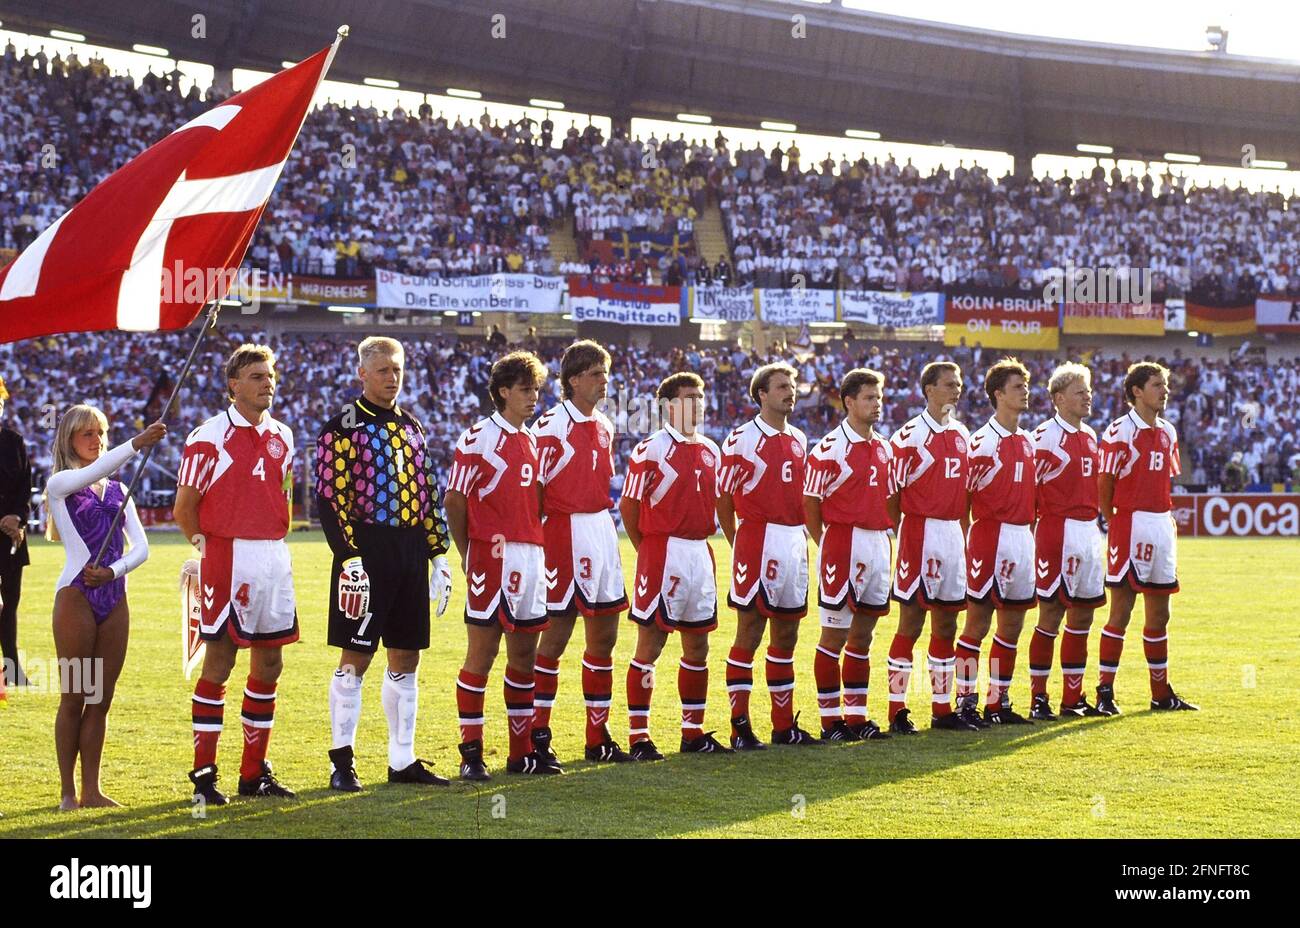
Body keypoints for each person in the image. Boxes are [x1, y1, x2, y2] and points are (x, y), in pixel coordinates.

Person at [316, 336, 454, 791]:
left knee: (407, 656)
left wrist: (438, 554)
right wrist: (350, 556)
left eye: (397, 369)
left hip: (411, 548)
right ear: (362, 373)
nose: (391, 378)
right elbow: (332, 499)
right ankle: (342, 762)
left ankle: (402, 760)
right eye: (382, 371)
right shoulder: (343, 426)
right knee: (356, 656)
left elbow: (429, 492)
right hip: (367, 550)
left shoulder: (412, 425)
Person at [176, 345, 299, 805]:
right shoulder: (208, 436)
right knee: (220, 663)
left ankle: (252, 775)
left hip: (274, 555)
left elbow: (282, 496)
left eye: (269, 375)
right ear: (233, 385)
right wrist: (206, 551)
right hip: (229, 556)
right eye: (255, 376)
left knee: (270, 663)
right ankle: (205, 776)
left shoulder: (283, 435)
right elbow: (185, 507)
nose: (266, 382)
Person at [446, 351, 560, 779]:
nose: (534, 396)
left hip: (531, 553)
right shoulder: (477, 437)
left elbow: (539, 504)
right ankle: (470, 754)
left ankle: (520, 753)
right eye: (526, 389)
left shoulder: (533, 440)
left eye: (537, 388)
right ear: (503, 392)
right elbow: (454, 500)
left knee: (525, 657)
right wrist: (467, 552)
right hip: (491, 554)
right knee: (483, 653)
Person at [47, 406, 164, 809]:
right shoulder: (60, 483)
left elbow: (143, 547)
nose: (96, 440)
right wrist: (138, 443)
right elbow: (88, 477)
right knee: (74, 695)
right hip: (75, 597)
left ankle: (93, 790)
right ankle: (67, 791)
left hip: (115, 598)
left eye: (101, 433)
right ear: (69, 440)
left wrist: (113, 572)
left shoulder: (118, 488)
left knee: (101, 697)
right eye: (87, 434)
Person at [620, 372, 732, 758]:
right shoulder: (650, 449)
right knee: (650, 644)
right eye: (689, 397)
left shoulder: (711, 449)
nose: (698, 403)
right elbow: (629, 506)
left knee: (697, 646)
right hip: (663, 552)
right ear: (669, 405)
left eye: (700, 396)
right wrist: (648, 549)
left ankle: (692, 733)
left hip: (700, 551)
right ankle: (639, 737)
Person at [530, 341, 630, 764]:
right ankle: (537, 732)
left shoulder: (604, 424)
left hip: (601, 530)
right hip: (563, 533)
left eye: (605, 372)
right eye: (595, 373)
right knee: (555, 635)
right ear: (573, 380)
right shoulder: (549, 427)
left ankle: (597, 737)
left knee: (605, 636)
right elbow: (533, 490)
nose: (604, 380)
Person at [718, 362, 819, 749]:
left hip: (793, 541)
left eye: (792, 385)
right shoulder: (742, 438)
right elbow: (723, 498)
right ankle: (739, 725)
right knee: (750, 630)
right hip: (758, 539)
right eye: (781, 386)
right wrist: (738, 540)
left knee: (788, 632)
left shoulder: (799, 437)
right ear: (762, 394)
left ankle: (783, 726)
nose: (790, 392)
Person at [1098, 362, 1198, 713]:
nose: (1164, 390)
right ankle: (1104, 691)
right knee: (1121, 611)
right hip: (1130, 523)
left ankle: (1160, 693)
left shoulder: (1168, 431)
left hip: (1160, 524)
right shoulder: (1119, 431)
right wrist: (1113, 520)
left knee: (1160, 615)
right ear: (1137, 391)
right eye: (1157, 385)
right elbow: (1105, 482)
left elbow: (1165, 477)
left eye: (1165, 384)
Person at [803, 368, 896, 742]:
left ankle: (856, 717)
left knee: (863, 636)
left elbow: (890, 499)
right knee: (834, 636)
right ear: (849, 402)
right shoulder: (828, 449)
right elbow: (810, 503)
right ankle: (831, 721)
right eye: (870, 398)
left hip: (877, 543)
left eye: (879, 397)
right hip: (843, 543)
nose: (877, 404)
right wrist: (826, 543)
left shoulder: (885, 448)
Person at [885, 361, 974, 733]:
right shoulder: (909, 436)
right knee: (911, 622)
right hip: (920, 533)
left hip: (952, 533)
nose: (956, 390)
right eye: (949, 385)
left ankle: (942, 708)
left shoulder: (962, 434)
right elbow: (892, 493)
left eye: (958, 384)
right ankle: (897, 709)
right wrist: (903, 530)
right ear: (929, 390)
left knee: (948, 623)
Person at [954, 359, 1037, 726]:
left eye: (1026, 386)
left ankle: (998, 701)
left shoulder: (1028, 440)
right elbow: (963, 501)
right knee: (977, 623)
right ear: (998, 394)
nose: (1025, 392)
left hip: (1021, 537)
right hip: (990, 536)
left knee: (1012, 627)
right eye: (1017, 387)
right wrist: (966, 543)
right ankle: (964, 700)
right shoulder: (982, 443)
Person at [1027, 362, 1106, 719]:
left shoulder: (1091, 435)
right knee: (1052, 613)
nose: (1087, 396)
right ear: (1058, 398)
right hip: (1057, 530)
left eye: (1088, 390)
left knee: (1084, 614)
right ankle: (1039, 697)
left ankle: (1072, 697)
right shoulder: (1043, 437)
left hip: (1089, 530)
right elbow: (1029, 490)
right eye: (1079, 391)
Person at [0, 375, 31, 689]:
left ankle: (12, 669)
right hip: (4, 528)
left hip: (11, 537)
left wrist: (18, 518)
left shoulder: (14, 441)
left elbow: (25, 487)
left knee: (11, 603)